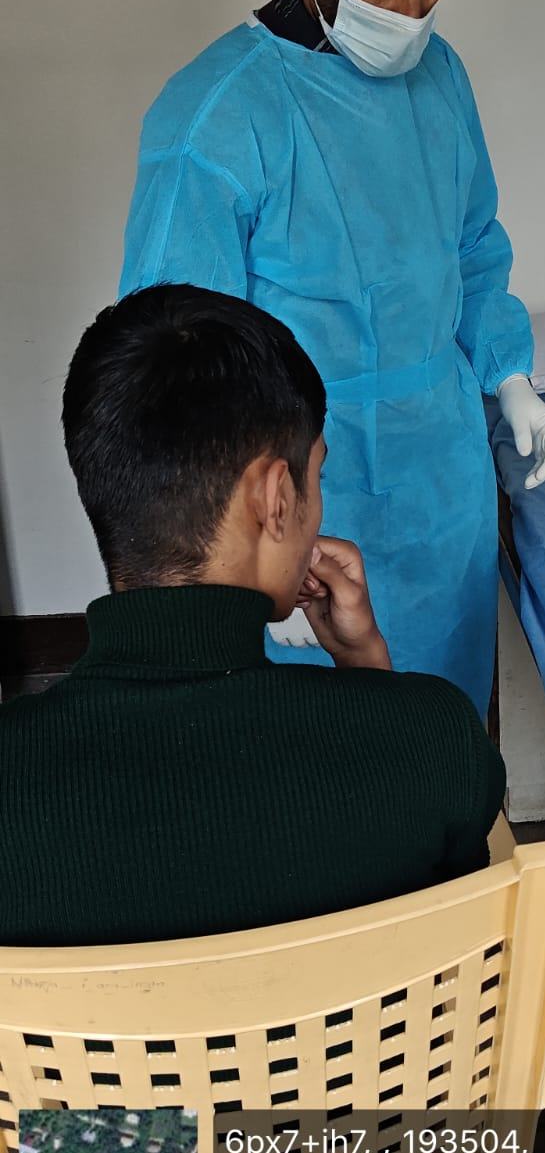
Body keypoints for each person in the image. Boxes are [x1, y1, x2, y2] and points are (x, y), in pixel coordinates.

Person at [118, 0, 545, 719]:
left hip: (441, 491)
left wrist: (509, 373)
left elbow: (472, 247)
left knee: (440, 747)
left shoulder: (441, 79)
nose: (412, 16)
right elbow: (175, 378)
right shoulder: (217, 120)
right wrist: (235, 569)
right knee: (318, 777)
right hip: (296, 528)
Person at [0, 285, 506, 947]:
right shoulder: (435, 739)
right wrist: (368, 670)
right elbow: (458, 932)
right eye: (315, 478)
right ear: (275, 498)